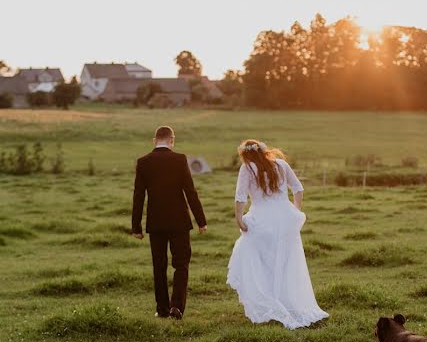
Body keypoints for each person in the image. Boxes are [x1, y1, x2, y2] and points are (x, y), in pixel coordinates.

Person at [227, 139, 328, 329]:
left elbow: (240, 196)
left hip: (262, 219)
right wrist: (295, 212)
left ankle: (269, 300)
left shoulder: (247, 168)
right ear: (264, 152)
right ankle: (287, 301)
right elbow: (298, 189)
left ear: (245, 155)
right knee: (286, 261)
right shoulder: (281, 165)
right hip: (285, 219)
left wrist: (239, 218)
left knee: (262, 261)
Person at [132, 126, 207, 320]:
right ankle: (177, 308)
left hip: (155, 223)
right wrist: (201, 221)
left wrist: (136, 227)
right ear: (172, 140)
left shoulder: (143, 162)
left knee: (159, 266)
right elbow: (190, 191)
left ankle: (162, 309)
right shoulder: (179, 159)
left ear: (154, 140)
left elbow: (138, 196)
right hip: (179, 222)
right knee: (181, 265)